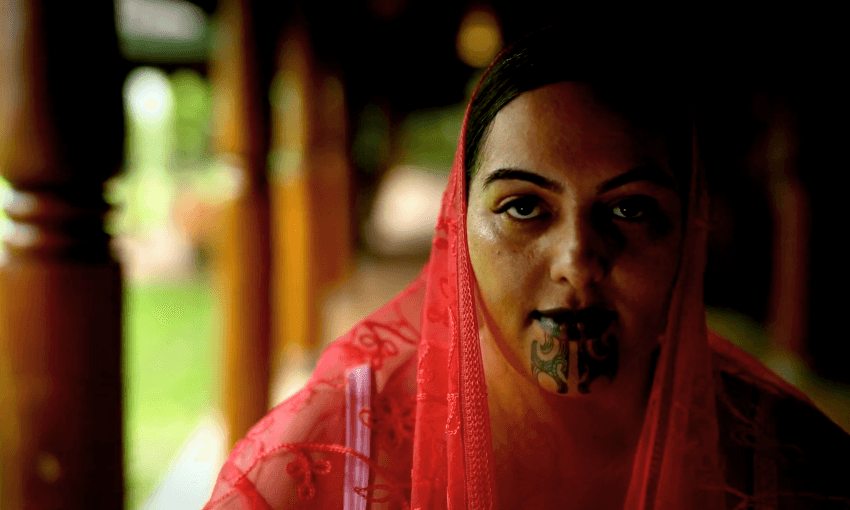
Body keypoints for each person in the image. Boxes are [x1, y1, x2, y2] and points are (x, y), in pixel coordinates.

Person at [203, 26, 850, 510]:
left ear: (691, 233)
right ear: (458, 231)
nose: (577, 260)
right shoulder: (321, 463)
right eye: (523, 207)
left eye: (630, 209)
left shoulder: (789, 470)